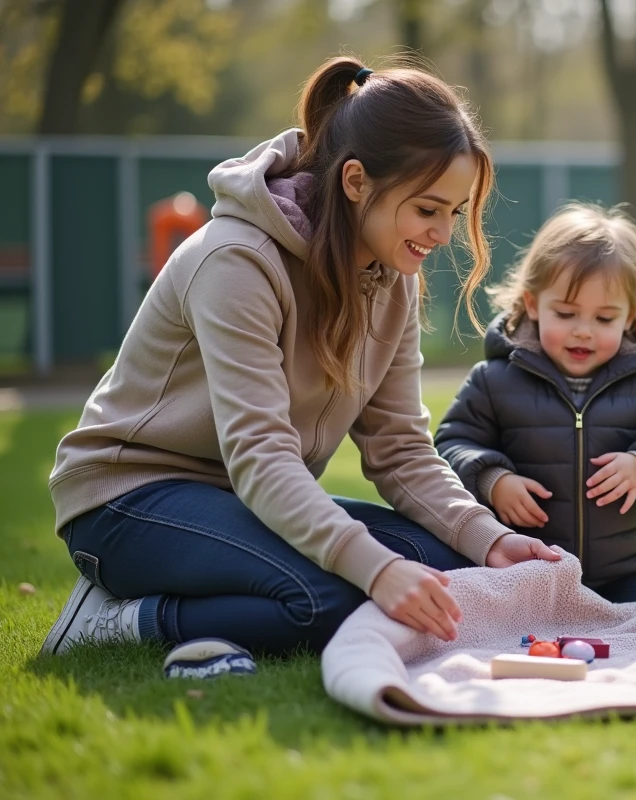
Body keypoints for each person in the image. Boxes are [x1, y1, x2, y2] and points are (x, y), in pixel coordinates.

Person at [41, 56, 560, 658]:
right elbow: (260, 454)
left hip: (245, 501)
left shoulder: (393, 278)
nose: (443, 233)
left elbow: (399, 449)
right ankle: (118, 620)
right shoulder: (236, 261)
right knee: (333, 597)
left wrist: (488, 538)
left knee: (448, 566)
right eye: (427, 208)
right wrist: (374, 569)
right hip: (130, 499)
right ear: (357, 181)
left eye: (454, 211)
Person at [434, 203, 636, 613]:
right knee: (484, 620)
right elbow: (449, 448)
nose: (583, 330)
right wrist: (492, 480)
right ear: (533, 305)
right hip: (527, 564)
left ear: (629, 317)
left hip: (633, 567)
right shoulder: (494, 379)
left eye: (604, 318)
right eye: (565, 314)